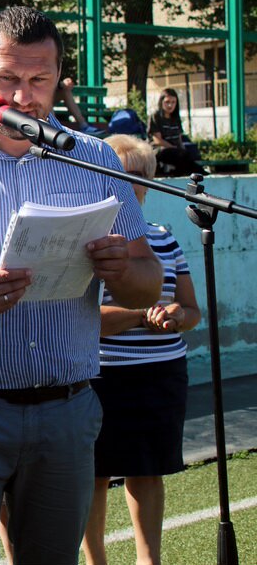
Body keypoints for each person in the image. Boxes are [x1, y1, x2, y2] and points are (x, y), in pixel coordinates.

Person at [0, 6, 162, 565]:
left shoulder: (95, 157)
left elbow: (149, 286)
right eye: (8, 79)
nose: (24, 98)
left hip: (66, 411)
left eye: (39, 80)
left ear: (57, 77)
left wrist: (124, 270)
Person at [82, 135, 200, 565]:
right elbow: (82, 324)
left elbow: (192, 312)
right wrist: (139, 315)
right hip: (99, 376)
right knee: (93, 477)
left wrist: (174, 315)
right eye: (117, 175)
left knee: (148, 473)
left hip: (160, 372)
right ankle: (97, 561)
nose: (129, 186)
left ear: (149, 184)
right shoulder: (84, 246)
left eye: (138, 177)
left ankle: (149, 560)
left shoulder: (166, 240)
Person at [148, 88, 204, 176]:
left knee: (189, 156)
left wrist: (182, 149)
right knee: (178, 155)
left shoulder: (175, 118)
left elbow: (179, 138)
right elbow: (158, 141)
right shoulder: (155, 117)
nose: (170, 105)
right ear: (161, 102)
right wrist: (175, 148)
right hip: (160, 150)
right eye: (167, 102)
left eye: (173, 102)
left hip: (175, 150)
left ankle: (199, 173)